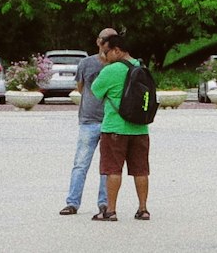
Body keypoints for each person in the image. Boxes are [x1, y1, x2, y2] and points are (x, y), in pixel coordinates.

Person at [89, 30, 150, 222]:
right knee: (141, 170)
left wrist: (106, 68)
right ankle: (143, 209)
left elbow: (95, 91)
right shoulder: (141, 67)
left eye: (106, 52)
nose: (104, 56)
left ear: (116, 50)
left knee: (113, 170)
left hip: (114, 128)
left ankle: (111, 210)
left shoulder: (110, 70)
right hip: (140, 128)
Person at [60, 27, 116, 218]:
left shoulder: (117, 66)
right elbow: (81, 87)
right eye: (105, 39)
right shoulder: (86, 63)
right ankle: (72, 202)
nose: (107, 43)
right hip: (88, 119)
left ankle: (104, 203)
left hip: (110, 120)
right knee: (80, 163)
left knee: (107, 167)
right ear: (98, 41)